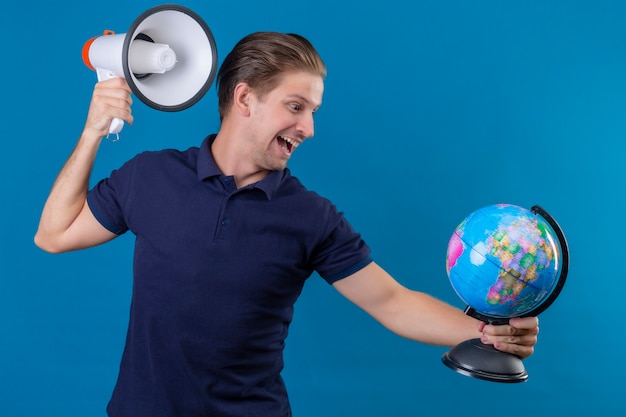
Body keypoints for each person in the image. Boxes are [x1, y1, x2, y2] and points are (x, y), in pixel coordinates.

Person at [35, 32, 539, 417]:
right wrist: (92, 132)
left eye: (313, 111)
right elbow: (53, 235)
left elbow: (393, 303)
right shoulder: (151, 175)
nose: (309, 128)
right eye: (296, 107)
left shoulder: (311, 216)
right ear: (245, 98)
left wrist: (489, 331)